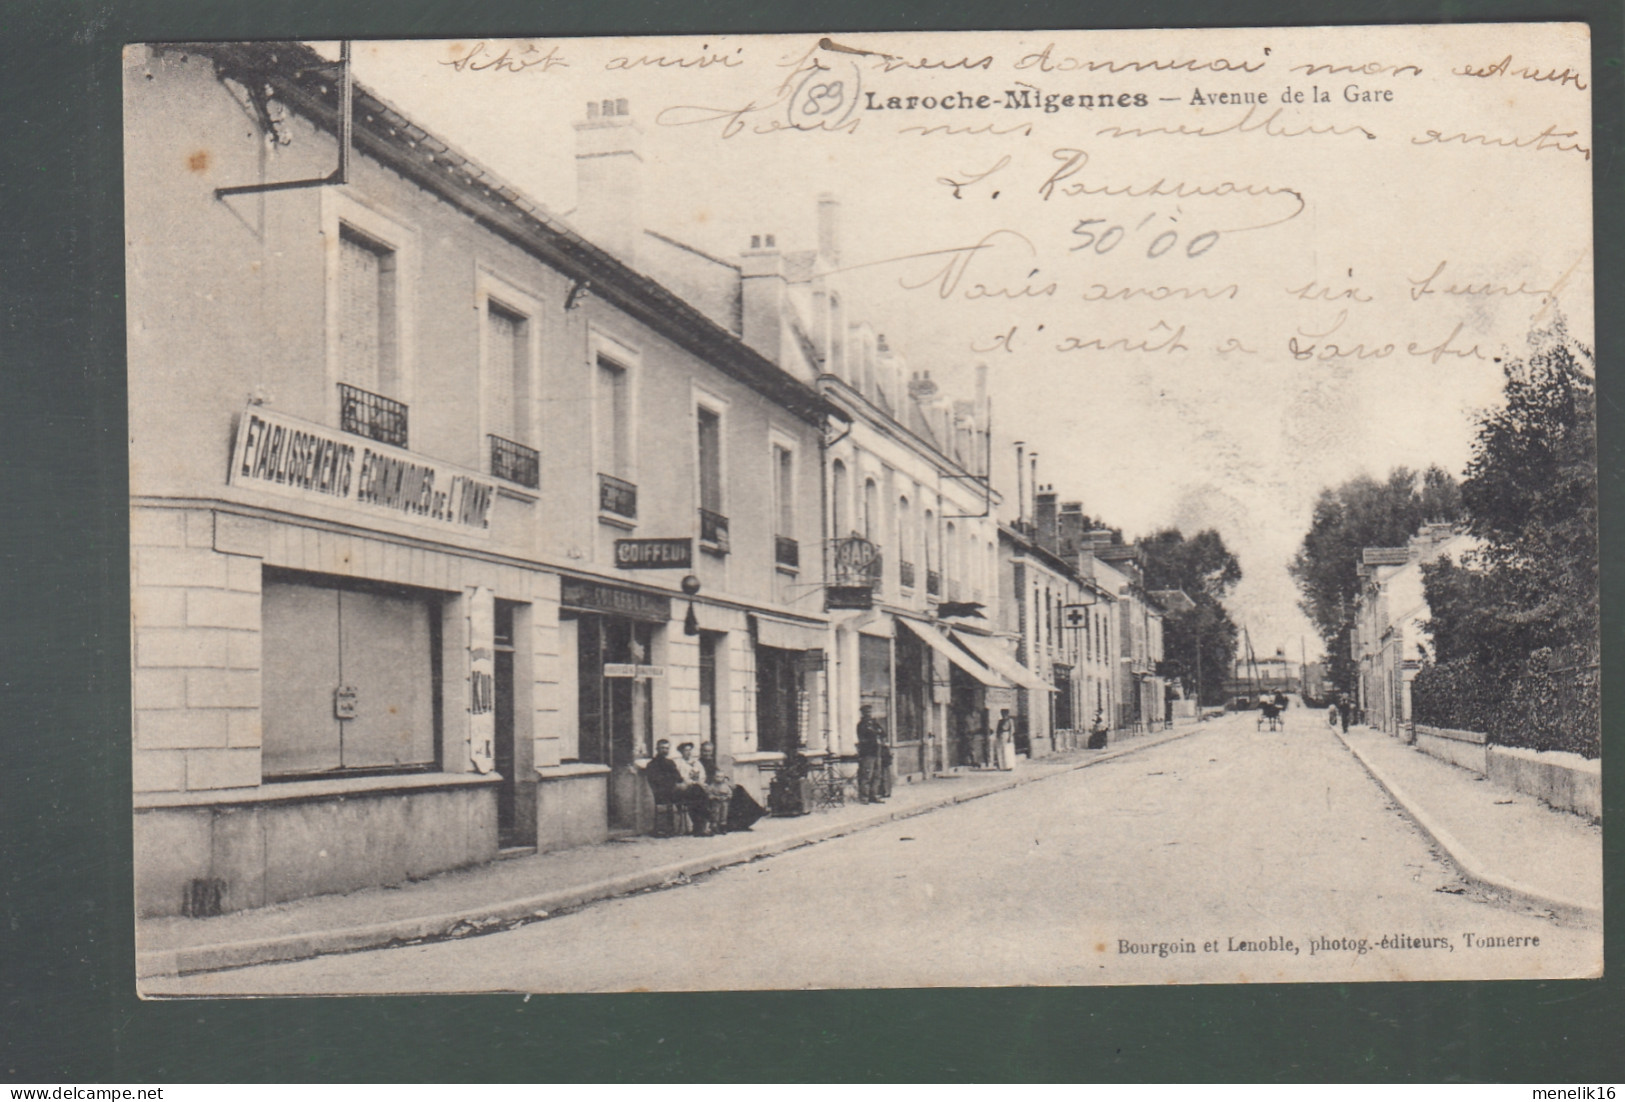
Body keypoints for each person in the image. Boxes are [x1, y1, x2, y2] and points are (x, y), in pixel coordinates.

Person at [644, 739, 706, 835]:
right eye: (662, 748)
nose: (665, 750)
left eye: (667, 748)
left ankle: (699, 827)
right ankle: (699, 828)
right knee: (696, 793)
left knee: (697, 791)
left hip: (675, 792)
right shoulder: (652, 764)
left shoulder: (670, 762)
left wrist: (681, 784)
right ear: (657, 749)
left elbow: (678, 777)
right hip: (663, 793)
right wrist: (675, 784)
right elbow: (658, 781)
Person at [697, 741, 733, 836]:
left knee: (737, 789)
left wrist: (725, 780)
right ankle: (721, 824)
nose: (707, 753)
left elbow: (718, 772)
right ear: (701, 751)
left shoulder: (711, 762)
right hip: (710, 787)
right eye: (705, 751)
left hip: (718, 784)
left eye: (709, 751)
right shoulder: (699, 763)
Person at [856, 704, 886, 803]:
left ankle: (874, 795)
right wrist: (876, 732)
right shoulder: (861, 725)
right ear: (863, 713)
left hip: (877, 751)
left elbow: (883, 732)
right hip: (867, 753)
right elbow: (869, 735)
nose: (869, 714)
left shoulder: (874, 723)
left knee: (877, 774)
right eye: (867, 712)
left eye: (870, 712)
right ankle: (864, 797)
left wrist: (877, 731)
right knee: (867, 775)